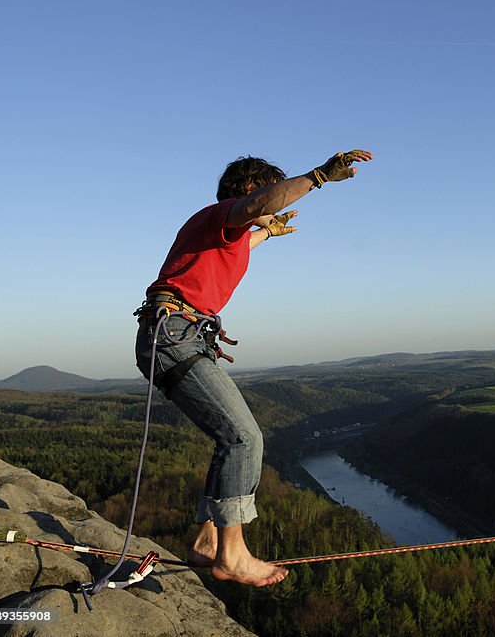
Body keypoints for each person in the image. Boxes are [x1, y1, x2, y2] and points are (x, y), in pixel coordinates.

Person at [134, 149, 372, 586]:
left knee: (230, 438)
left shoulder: (227, 233)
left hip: (175, 335)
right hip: (174, 335)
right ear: (248, 190)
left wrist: (269, 233)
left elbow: (247, 235)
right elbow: (254, 208)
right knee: (243, 438)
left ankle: (208, 540)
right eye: (265, 195)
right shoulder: (222, 214)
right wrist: (318, 177)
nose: (272, 207)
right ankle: (232, 554)